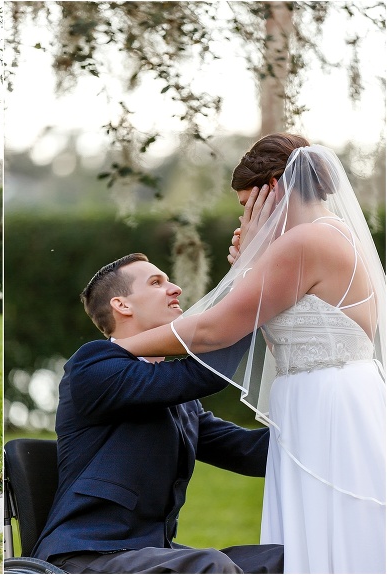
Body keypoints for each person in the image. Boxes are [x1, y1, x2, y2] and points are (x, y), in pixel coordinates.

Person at [113, 134, 386, 573]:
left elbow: (213, 329)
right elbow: (280, 339)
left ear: (275, 188)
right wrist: (252, 268)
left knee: (334, 532)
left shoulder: (305, 243)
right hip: (326, 395)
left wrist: (116, 348)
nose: (246, 215)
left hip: (326, 404)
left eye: (249, 202)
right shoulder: (331, 235)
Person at [31, 253, 284, 574]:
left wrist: (328, 418)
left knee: (283, 560)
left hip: (149, 554)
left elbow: (250, 453)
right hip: (86, 555)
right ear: (122, 305)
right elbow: (202, 374)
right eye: (156, 282)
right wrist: (258, 288)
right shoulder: (91, 366)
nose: (176, 288)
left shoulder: (179, 401)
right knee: (211, 566)